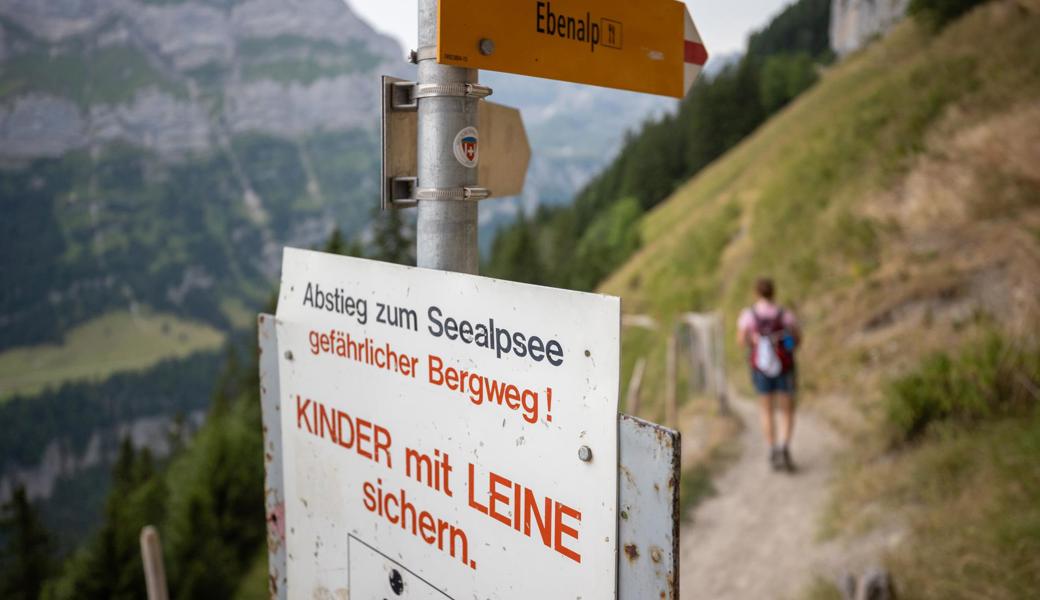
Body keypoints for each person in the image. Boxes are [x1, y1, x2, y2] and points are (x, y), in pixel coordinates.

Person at [737, 277, 800, 472]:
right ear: (774, 292)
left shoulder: (749, 315)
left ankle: (772, 449)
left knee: (766, 410)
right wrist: (785, 345)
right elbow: (796, 339)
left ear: (756, 293)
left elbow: (741, 341)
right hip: (785, 366)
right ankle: (785, 447)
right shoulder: (785, 314)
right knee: (787, 410)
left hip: (761, 368)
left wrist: (756, 342)